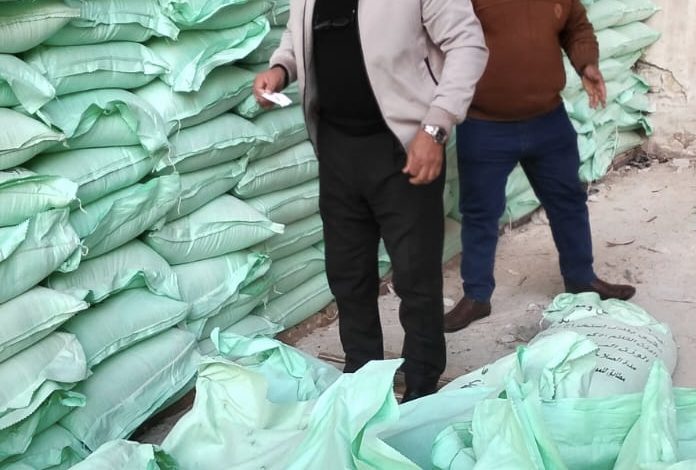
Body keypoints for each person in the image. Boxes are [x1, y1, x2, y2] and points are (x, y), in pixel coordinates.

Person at [254, 0, 488, 401]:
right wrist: (281, 68)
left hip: (403, 145)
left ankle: (421, 383)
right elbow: (298, 34)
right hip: (336, 146)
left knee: (415, 276)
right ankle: (361, 378)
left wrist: (436, 126)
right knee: (348, 276)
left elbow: (468, 45)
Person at [443, 0, 636, 333]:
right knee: (480, 213)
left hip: (548, 119)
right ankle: (476, 295)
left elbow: (576, 26)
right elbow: (442, 37)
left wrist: (586, 64)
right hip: (484, 123)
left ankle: (581, 278)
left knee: (568, 201)